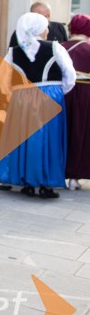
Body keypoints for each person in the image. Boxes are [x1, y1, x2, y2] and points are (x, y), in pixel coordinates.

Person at [0, 12, 76, 198]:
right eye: (45, 26)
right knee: (50, 139)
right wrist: (58, 91)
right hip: (50, 95)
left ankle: (26, 182)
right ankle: (47, 183)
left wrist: (13, 95)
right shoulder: (55, 48)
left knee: (25, 138)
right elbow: (69, 76)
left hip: (22, 97)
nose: (48, 30)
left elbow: (1, 78)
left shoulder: (13, 52)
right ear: (39, 29)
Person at [64, 14, 90, 189]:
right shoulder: (88, 50)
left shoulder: (57, 47)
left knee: (63, 134)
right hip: (85, 96)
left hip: (61, 94)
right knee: (81, 134)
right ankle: (75, 177)